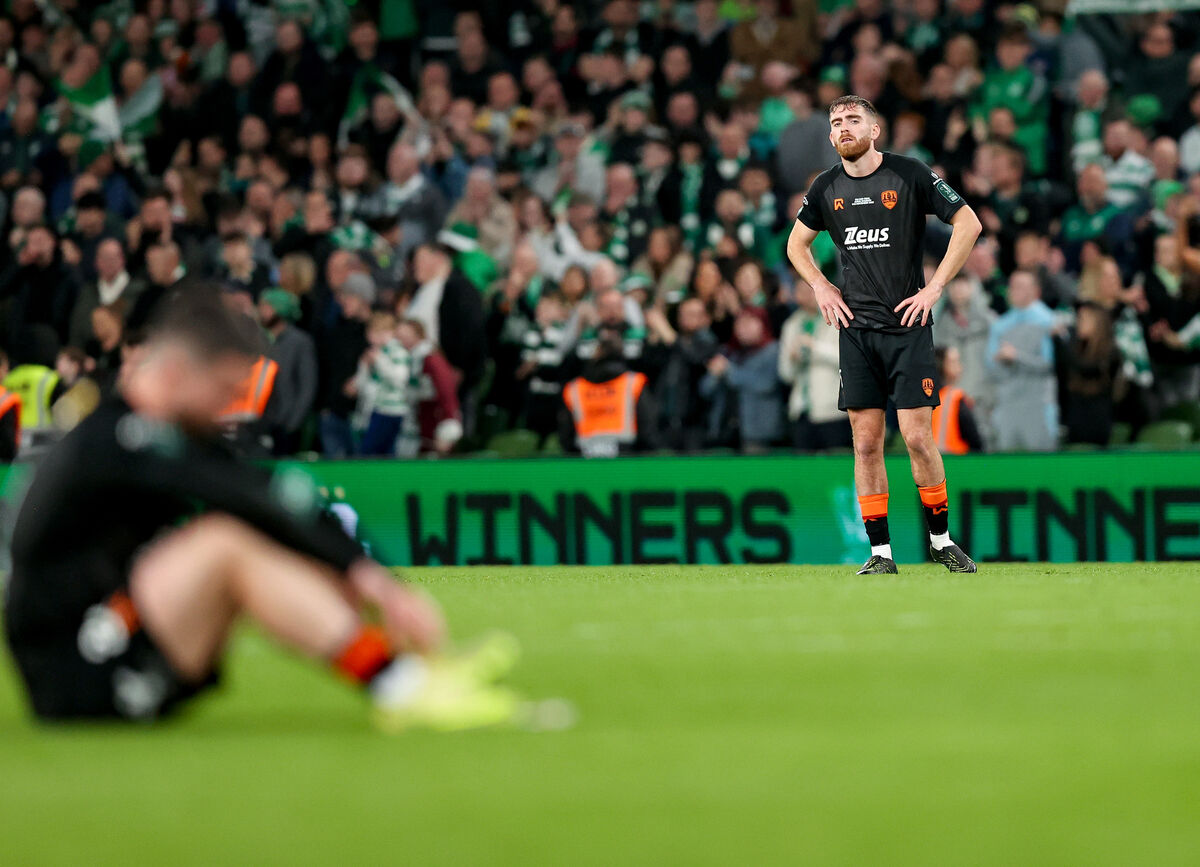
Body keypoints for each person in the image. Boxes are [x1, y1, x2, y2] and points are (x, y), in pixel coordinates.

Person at [3, 292, 518, 728]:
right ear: (180, 370)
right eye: (223, 390)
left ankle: (411, 668)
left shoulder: (150, 430)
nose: (229, 407)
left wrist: (367, 572)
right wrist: (371, 578)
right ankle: (399, 686)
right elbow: (250, 494)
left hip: (114, 635)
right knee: (227, 541)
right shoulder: (120, 438)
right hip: (78, 675)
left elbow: (268, 490)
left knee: (277, 533)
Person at [786, 94, 982, 575]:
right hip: (855, 331)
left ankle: (940, 540)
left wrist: (934, 288)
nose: (843, 128)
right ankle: (881, 554)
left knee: (917, 439)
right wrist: (821, 287)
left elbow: (968, 222)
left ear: (875, 130)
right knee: (866, 443)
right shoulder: (825, 186)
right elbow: (796, 243)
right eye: (836, 122)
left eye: (854, 120)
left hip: (907, 326)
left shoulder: (909, 173)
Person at [987, 270, 1059, 452]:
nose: (1013, 291)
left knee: (1042, 467)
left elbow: (1050, 364)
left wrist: (1017, 356)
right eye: (1012, 286)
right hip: (1007, 405)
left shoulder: (1050, 322)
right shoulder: (1000, 325)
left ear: (1035, 290)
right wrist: (1002, 361)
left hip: (1038, 406)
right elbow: (991, 366)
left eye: (1020, 286)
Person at [930, 346, 984, 454]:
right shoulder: (955, 398)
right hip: (958, 461)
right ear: (941, 365)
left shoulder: (924, 397)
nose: (960, 367)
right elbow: (974, 439)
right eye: (954, 362)